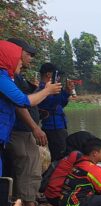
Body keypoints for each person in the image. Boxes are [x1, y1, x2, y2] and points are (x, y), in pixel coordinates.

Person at [0, 41, 61, 181]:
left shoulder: (7, 76)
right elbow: (23, 101)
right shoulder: (2, 77)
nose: (21, 62)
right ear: (8, 56)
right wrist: (47, 91)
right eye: (18, 58)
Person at [44, 131, 101, 206]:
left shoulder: (71, 155)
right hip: (58, 197)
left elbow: (96, 178)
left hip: (54, 195)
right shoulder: (77, 157)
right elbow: (97, 177)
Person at [37, 62, 74, 161]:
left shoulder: (51, 89)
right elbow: (51, 105)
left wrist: (67, 92)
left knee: (63, 155)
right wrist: (57, 91)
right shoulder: (42, 89)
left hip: (60, 126)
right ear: (49, 74)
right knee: (60, 159)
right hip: (53, 128)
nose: (58, 78)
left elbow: (60, 104)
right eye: (57, 75)